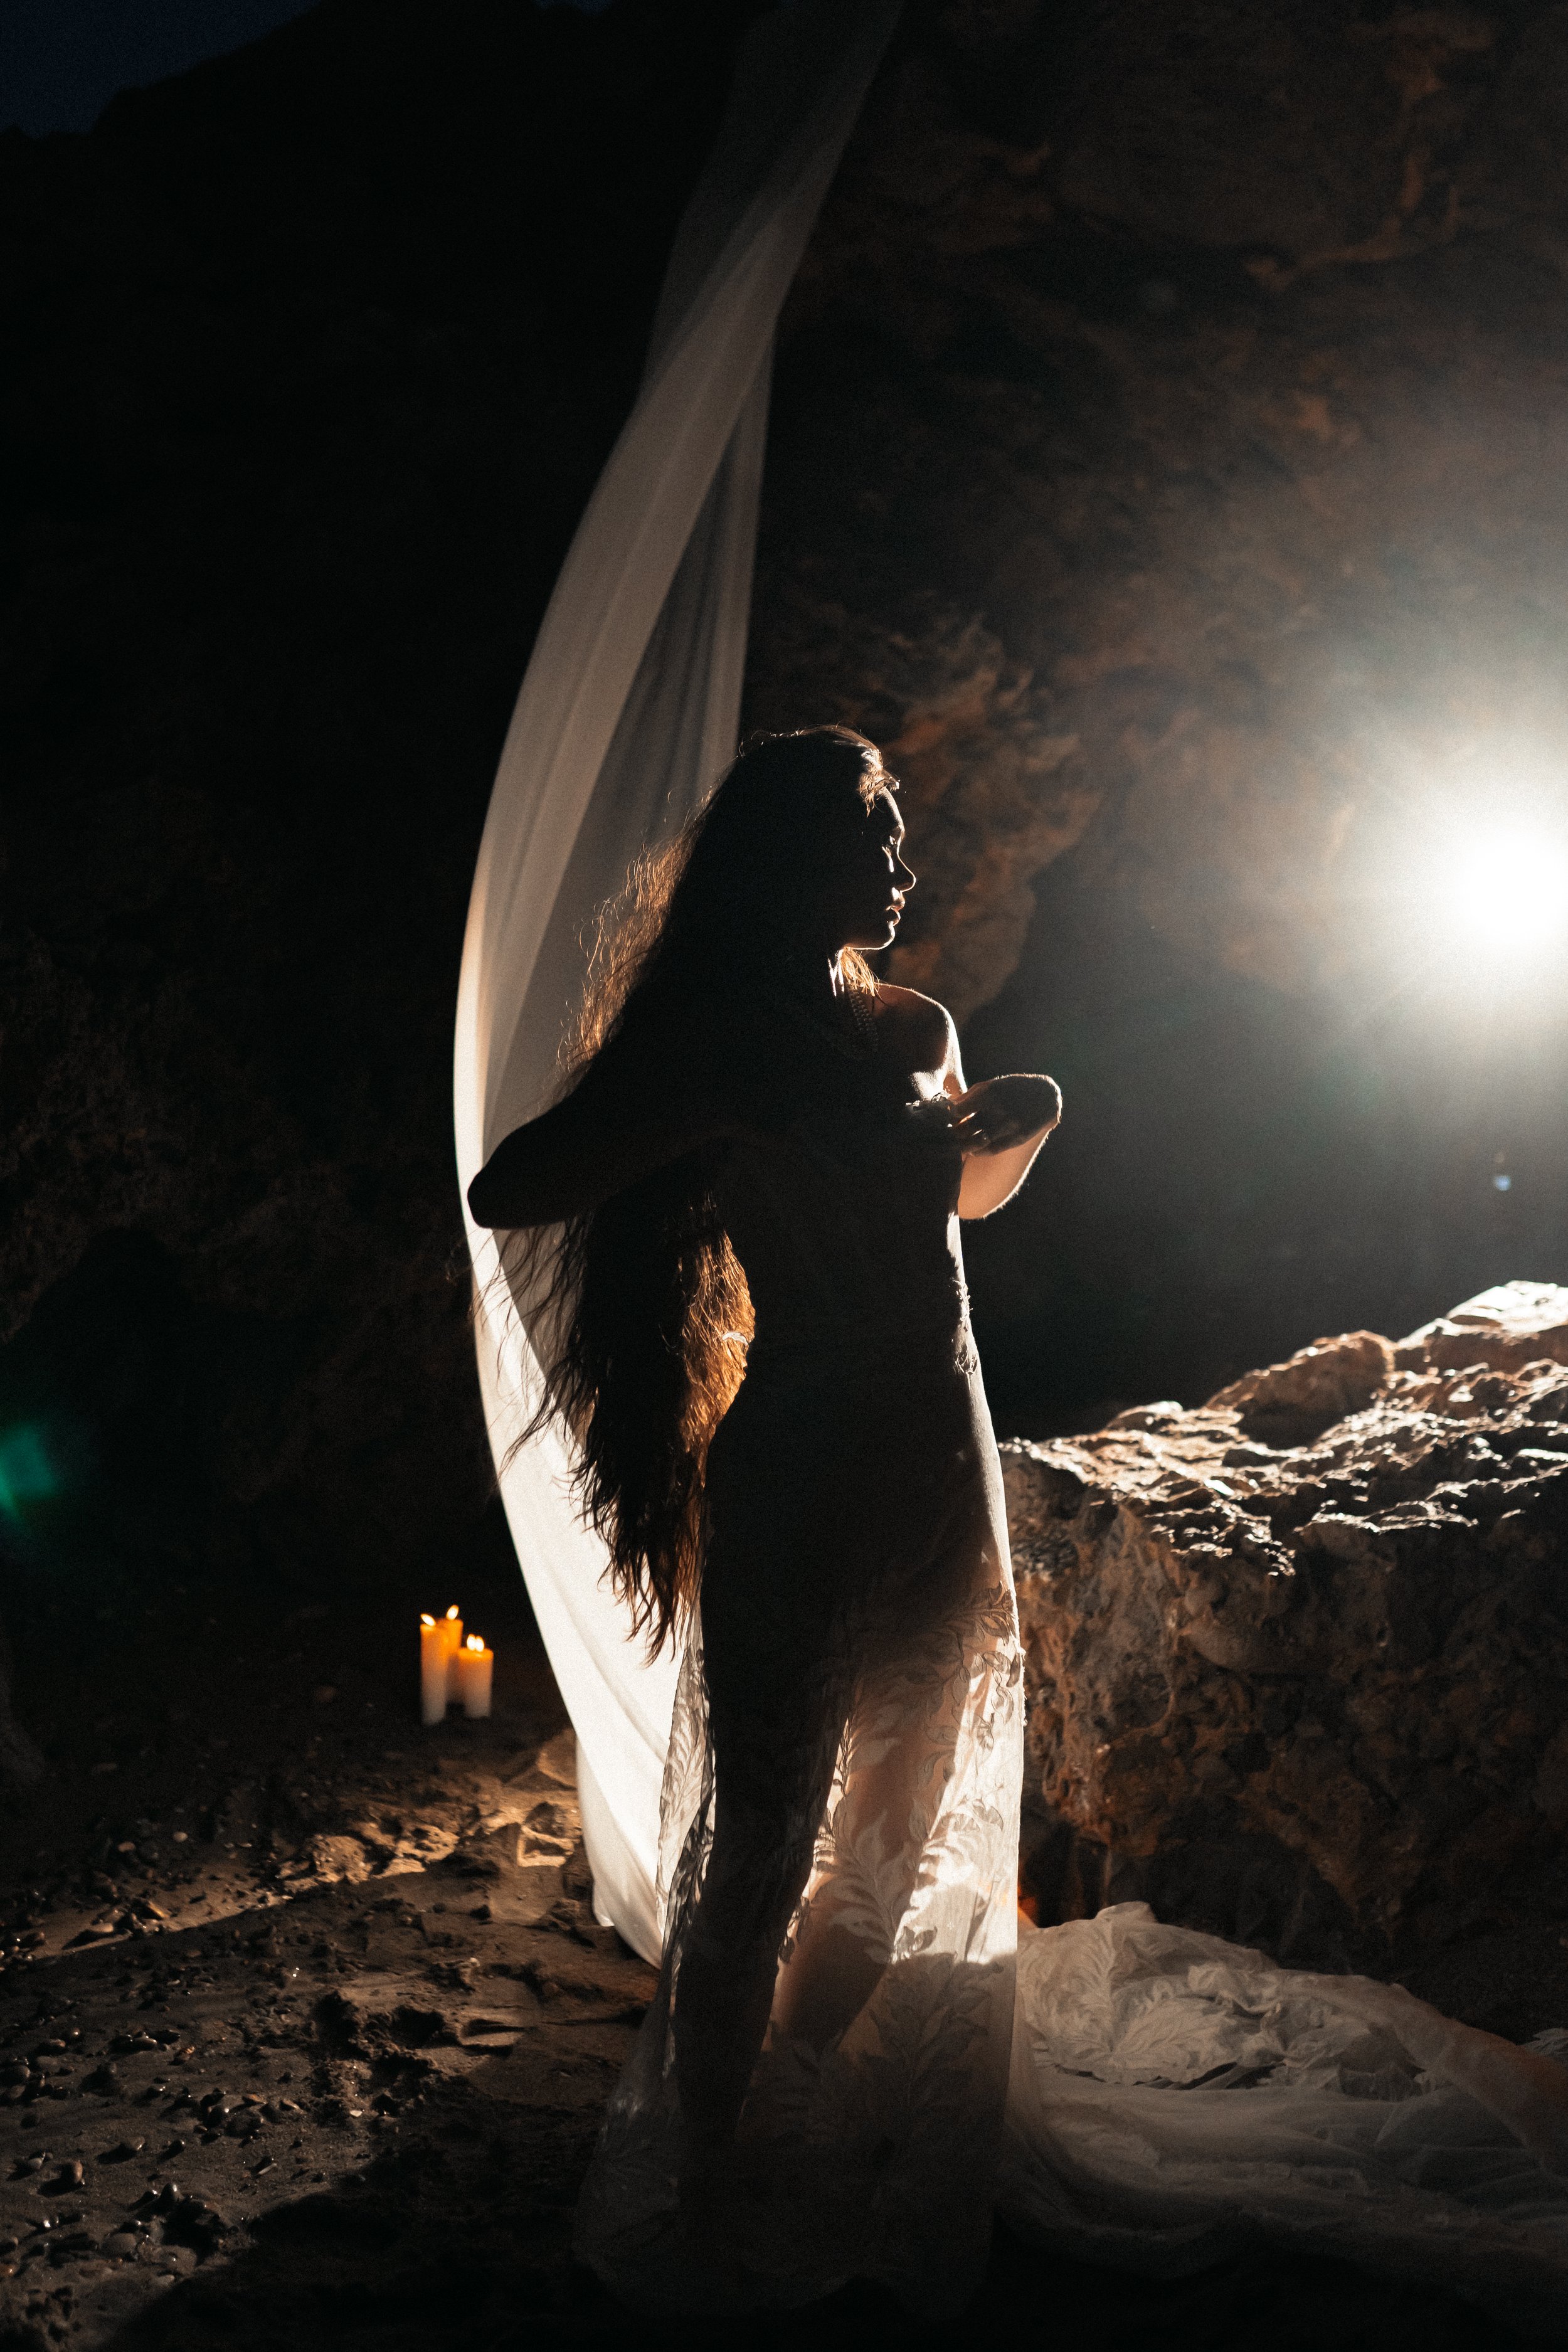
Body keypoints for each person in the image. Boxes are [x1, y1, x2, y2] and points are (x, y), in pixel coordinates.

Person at [467, 723, 1061, 2311]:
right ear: (788, 858)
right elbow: (507, 1190)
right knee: (768, 1829)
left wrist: (1010, 1126)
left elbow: (954, 1206)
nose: (902, 863)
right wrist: (703, 1109)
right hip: (803, 1454)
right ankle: (709, 2180)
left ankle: (812, 2110)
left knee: (906, 1803)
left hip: (947, 1445)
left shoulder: (914, 1019)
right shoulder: (718, 1042)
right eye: (873, 832)